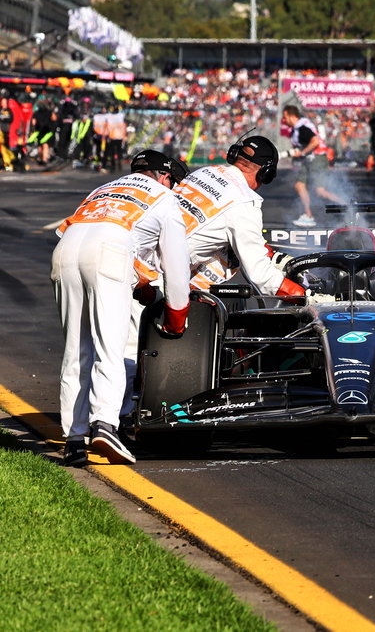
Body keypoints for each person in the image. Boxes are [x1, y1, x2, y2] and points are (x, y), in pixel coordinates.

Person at [52, 149, 191, 466]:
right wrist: (176, 314)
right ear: (164, 176)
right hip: (108, 252)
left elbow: (73, 230)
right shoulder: (165, 197)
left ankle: (74, 440)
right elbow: (177, 266)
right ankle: (105, 424)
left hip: (65, 251)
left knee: (76, 350)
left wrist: (136, 278)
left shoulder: (104, 187)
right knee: (110, 346)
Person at [169, 135, 306, 300]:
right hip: (157, 276)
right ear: (266, 173)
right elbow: (262, 276)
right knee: (231, 258)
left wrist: (274, 256)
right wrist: (306, 296)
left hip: (144, 253)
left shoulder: (205, 171)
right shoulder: (245, 202)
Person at [283, 104, 340, 228]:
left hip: (317, 158)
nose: (284, 120)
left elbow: (315, 141)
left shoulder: (302, 126)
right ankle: (308, 216)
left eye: (285, 117)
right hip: (309, 159)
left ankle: (349, 207)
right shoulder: (297, 128)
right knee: (299, 185)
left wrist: (302, 153)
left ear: (291, 116)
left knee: (320, 191)